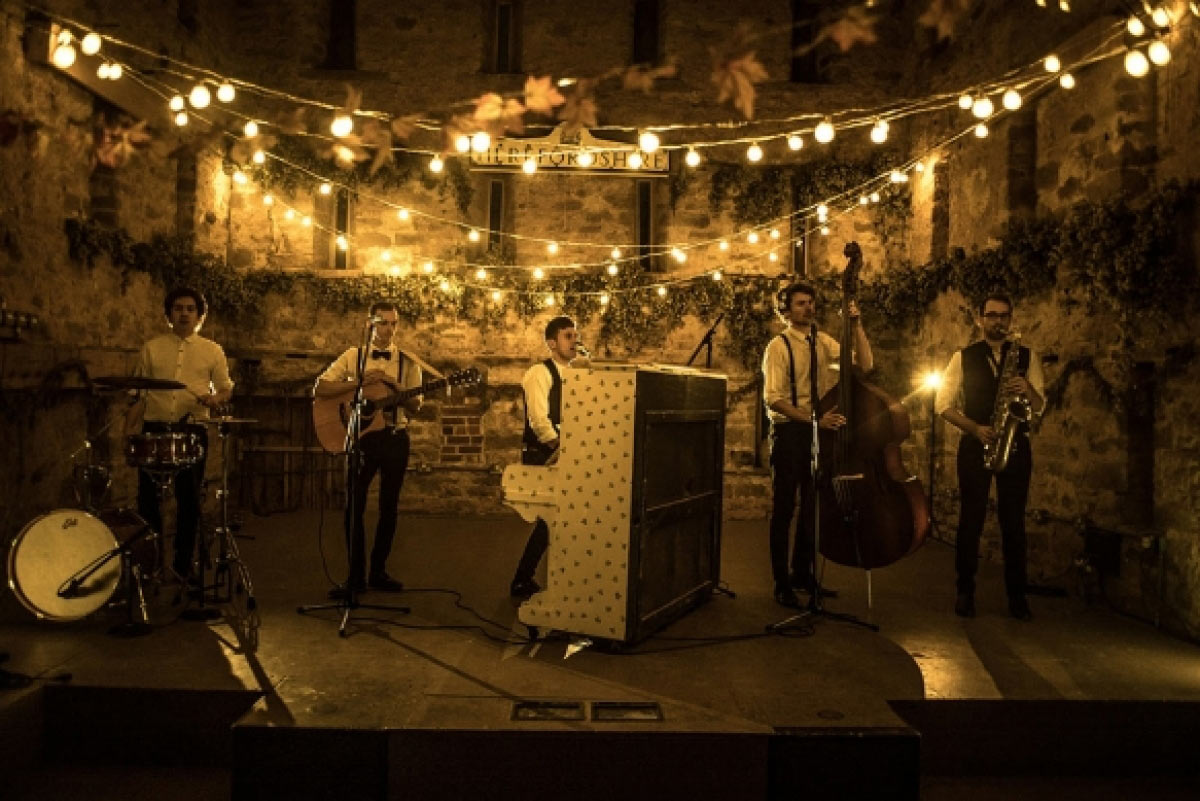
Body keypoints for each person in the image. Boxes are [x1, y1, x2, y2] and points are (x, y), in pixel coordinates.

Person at [761, 282, 873, 609]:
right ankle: (781, 583)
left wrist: (856, 325)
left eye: (810, 302)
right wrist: (813, 419)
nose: (808, 308)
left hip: (817, 432)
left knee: (813, 507)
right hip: (789, 433)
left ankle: (802, 574)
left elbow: (865, 365)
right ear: (785, 311)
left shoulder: (822, 341)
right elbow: (774, 399)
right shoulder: (778, 346)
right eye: (800, 303)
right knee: (784, 509)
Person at [935, 293, 1045, 621]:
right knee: (971, 520)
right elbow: (942, 404)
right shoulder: (963, 357)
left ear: (1010, 319)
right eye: (992, 315)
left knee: (1014, 523)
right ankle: (965, 591)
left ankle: (1017, 597)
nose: (998, 321)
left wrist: (1027, 389)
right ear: (980, 319)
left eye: (1004, 316)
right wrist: (975, 428)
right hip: (976, 443)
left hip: (1015, 445)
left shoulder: (1027, 356)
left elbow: (1040, 407)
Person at [314, 301, 422, 595]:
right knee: (354, 506)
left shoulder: (408, 362)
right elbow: (321, 388)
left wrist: (397, 388)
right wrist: (359, 382)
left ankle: (378, 571)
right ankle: (355, 576)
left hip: (395, 438)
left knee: (389, 507)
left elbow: (416, 407)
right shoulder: (354, 356)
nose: (389, 329)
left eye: (393, 323)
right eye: (383, 323)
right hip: (361, 438)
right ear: (370, 325)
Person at [126, 287, 234, 580]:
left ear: (200, 316)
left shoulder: (212, 350)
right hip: (154, 427)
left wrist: (215, 399)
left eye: (190, 309)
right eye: (178, 308)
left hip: (191, 429)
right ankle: (151, 564)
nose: (184, 313)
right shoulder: (151, 348)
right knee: (147, 499)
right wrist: (128, 431)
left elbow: (225, 388)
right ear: (168, 314)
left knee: (188, 498)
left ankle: (183, 565)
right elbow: (138, 393)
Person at [509, 315, 578, 600]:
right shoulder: (539, 373)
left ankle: (542, 579)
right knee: (551, 520)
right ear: (552, 343)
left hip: (566, 453)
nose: (574, 341)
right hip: (544, 453)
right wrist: (562, 449)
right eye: (568, 336)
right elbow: (539, 421)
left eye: (575, 335)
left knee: (561, 521)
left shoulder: (576, 374)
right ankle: (522, 579)